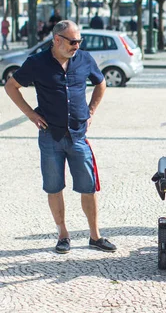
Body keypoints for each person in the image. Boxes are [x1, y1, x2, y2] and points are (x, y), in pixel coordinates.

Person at [4, 20, 116, 254]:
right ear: (57, 40)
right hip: (50, 136)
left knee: (89, 187)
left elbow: (101, 83)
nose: (77, 46)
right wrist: (30, 113)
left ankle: (95, 236)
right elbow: (11, 86)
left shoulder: (84, 59)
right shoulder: (37, 63)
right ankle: (63, 234)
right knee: (54, 187)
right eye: (72, 41)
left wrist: (91, 110)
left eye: (79, 41)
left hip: (78, 135)